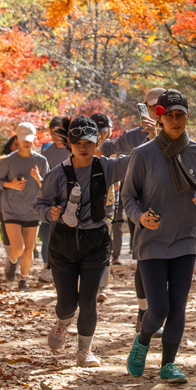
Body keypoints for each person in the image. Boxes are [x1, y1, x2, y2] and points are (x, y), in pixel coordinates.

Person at [123, 89, 196, 383]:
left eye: (181, 115)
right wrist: (139, 217)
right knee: (159, 308)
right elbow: (128, 197)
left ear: (187, 117)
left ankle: (168, 364)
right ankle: (143, 336)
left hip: (184, 239)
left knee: (177, 307)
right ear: (159, 117)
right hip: (151, 241)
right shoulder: (143, 154)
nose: (176, 121)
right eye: (170, 115)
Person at [34, 116, 131, 367]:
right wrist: (49, 213)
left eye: (88, 142)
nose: (83, 147)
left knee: (89, 300)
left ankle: (84, 350)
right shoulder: (58, 173)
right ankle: (62, 322)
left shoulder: (107, 167)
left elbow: (139, 160)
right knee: (67, 303)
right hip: (64, 242)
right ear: (70, 143)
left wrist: (155, 134)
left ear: (97, 140)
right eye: (78, 143)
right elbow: (39, 204)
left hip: (96, 240)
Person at [102, 87, 164, 329]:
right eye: (152, 106)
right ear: (143, 108)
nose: (158, 111)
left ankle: (160, 310)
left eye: (164, 106)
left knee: (167, 259)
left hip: (171, 205)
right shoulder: (132, 136)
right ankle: (144, 312)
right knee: (144, 258)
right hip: (137, 204)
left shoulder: (179, 133)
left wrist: (159, 134)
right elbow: (104, 151)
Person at [0, 123, 49, 290]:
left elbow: (49, 186)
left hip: (32, 210)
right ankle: (12, 261)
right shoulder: (8, 161)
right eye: (23, 140)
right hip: (12, 209)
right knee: (18, 248)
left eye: (29, 140)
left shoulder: (41, 161)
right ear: (17, 139)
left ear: (34, 140)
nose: (26, 143)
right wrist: (10, 184)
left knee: (29, 249)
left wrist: (39, 179)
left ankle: (23, 280)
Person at [39, 116, 71, 278]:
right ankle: (48, 267)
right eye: (53, 132)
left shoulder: (74, 150)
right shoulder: (46, 154)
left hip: (72, 199)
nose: (56, 135)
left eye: (59, 131)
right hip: (51, 200)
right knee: (46, 234)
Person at [91, 113, 115, 302]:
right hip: (84, 203)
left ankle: (101, 286)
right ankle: (87, 284)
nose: (100, 135)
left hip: (107, 203)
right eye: (97, 131)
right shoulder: (81, 147)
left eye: (103, 132)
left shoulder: (113, 150)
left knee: (104, 244)